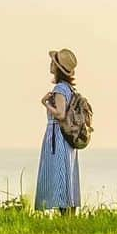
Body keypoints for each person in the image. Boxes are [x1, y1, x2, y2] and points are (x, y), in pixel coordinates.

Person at [34, 47, 81, 214]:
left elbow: (60, 114)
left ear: (57, 68)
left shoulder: (60, 89)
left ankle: (64, 214)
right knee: (67, 174)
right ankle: (69, 215)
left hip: (58, 135)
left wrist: (45, 104)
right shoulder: (69, 88)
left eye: (53, 62)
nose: (50, 64)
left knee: (59, 174)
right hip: (67, 137)